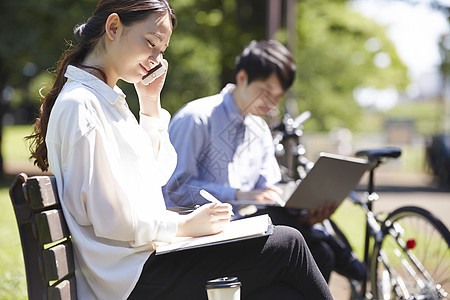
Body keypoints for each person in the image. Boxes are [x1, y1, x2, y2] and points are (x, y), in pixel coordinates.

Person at [26, 1, 333, 299]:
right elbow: (108, 219)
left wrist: (149, 102)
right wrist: (185, 225)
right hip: (130, 279)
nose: (155, 60)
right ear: (114, 27)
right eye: (150, 43)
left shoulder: (108, 100)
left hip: (141, 263)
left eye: (161, 51)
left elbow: (155, 173)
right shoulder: (83, 105)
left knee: (283, 292)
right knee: (288, 243)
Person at [163, 40, 365, 283]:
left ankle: (339, 252)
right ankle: (354, 265)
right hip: (201, 235)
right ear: (242, 77)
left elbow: (269, 191)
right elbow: (173, 190)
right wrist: (239, 194)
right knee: (305, 243)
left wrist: (303, 212)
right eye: (266, 91)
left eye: (277, 96)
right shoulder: (197, 119)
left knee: (319, 252)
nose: (271, 103)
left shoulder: (259, 130)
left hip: (243, 228)